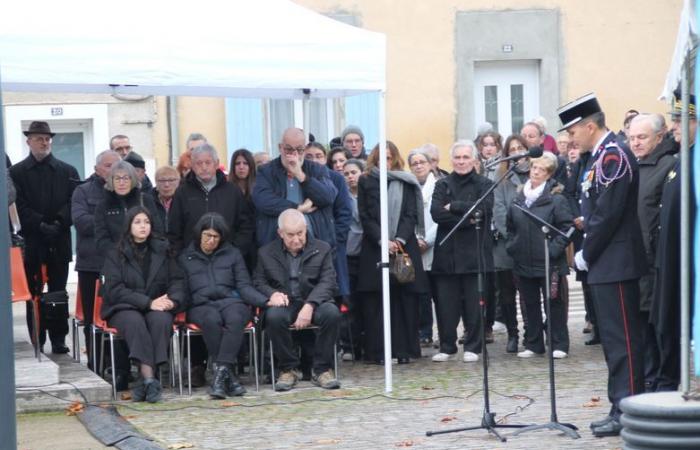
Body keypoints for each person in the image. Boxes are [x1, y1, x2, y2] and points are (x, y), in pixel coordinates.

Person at [558, 93, 647, 437]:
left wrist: (586, 252)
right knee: (613, 342)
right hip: (607, 264)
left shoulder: (613, 155)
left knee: (623, 341)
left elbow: (608, 213)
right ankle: (618, 405)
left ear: (590, 126)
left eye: (573, 132)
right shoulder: (600, 156)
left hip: (617, 262)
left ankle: (628, 410)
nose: (569, 139)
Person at [180, 213, 267, 398]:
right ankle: (230, 377)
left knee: (236, 318)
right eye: (207, 235)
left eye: (216, 237)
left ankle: (221, 374)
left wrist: (265, 301)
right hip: (200, 304)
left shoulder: (233, 254)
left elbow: (244, 285)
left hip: (231, 301)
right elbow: (183, 291)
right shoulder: (186, 257)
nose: (211, 241)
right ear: (199, 234)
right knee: (211, 319)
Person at [101, 206, 184, 402]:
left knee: (161, 321)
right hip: (123, 306)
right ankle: (149, 378)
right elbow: (115, 289)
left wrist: (172, 301)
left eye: (146, 222)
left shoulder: (163, 249)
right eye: (137, 222)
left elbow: (178, 281)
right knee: (135, 322)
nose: (143, 226)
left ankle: (146, 383)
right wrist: (147, 302)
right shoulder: (115, 253)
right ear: (129, 226)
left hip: (157, 304)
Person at [11, 121, 81, 354]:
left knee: (59, 292)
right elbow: (16, 204)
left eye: (47, 138)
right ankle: (37, 337)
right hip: (33, 241)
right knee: (33, 293)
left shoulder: (67, 171)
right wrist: (39, 223)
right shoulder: (17, 172)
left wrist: (60, 222)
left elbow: (75, 201)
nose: (44, 142)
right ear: (29, 141)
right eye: (39, 138)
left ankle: (59, 339)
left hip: (59, 240)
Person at [254, 209, 341, 391]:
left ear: (306, 229)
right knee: (273, 317)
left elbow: (328, 281)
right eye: (290, 235)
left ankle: (322, 369)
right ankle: (288, 368)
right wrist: (272, 294)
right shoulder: (266, 252)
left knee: (332, 314)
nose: (296, 239)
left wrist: (310, 305)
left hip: (314, 299)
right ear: (280, 233)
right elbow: (258, 281)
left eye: (300, 233)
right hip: (286, 301)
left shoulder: (322, 248)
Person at [357, 142, 428, 364]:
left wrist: (398, 240)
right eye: (381, 159)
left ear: (395, 159)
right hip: (374, 246)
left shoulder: (405, 180)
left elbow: (410, 214)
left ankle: (404, 349)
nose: (385, 163)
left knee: (405, 300)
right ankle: (379, 351)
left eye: (388, 158)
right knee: (377, 302)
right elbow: (365, 215)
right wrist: (382, 240)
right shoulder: (366, 180)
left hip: (403, 246)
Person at [430, 140, 494, 363]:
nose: (461, 161)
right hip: (447, 254)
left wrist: (455, 207)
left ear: (475, 160)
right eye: (457, 157)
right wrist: (467, 216)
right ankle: (447, 346)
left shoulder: (484, 184)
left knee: (474, 306)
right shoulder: (442, 184)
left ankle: (473, 346)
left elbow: (483, 210)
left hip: (474, 253)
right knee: (446, 304)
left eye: (466, 157)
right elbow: (436, 213)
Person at [628, 113, 678, 391]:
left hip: (656, 261)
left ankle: (662, 378)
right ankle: (647, 377)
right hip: (635, 261)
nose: (635, 143)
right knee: (641, 324)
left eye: (642, 137)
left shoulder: (668, 165)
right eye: (632, 137)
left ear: (659, 138)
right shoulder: (633, 165)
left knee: (657, 324)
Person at [506, 153, 573, 359]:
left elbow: (567, 228)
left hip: (549, 262)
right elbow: (510, 226)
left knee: (554, 303)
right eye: (534, 167)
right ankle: (534, 343)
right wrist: (513, 246)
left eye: (541, 169)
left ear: (549, 174)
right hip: (523, 260)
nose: (535, 172)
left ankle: (558, 343)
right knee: (529, 303)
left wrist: (553, 250)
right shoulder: (519, 198)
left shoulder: (556, 199)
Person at [651, 89, 696, 392]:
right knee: (667, 322)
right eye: (673, 119)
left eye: (681, 119)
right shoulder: (681, 159)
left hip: (688, 260)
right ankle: (669, 380)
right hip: (670, 258)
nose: (674, 126)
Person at [71, 149, 121, 369]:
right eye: (109, 166)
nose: (114, 170)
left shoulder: (124, 191)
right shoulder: (82, 191)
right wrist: (111, 222)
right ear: (97, 169)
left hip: (120, 263)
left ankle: (119, 365)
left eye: (117, 165)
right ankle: (96, 363)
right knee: (93, 318)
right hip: (91, 264)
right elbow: (81, 222)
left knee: (119, 314)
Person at [252, 128, 338, 248]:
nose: (294, 155)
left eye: (299, 150)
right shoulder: (266, 171)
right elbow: (263, 200)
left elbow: (328, 196)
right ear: (280, 148)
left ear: (305, 149)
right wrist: (298, 208)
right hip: (276, 247)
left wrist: (301, 176)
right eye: (288, 149)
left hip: (315, 244)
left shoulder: (317, 169)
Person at [168, 144, 254, 256]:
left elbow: (245, 227)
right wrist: (182, 256)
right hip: (192, 260)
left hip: (227, 259)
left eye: (208, 162)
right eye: (199, 163)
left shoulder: (232, 191)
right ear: (193, 166)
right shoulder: (182, 193)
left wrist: (234, 252)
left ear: (216, 164)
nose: (204, 167)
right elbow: (174, 231)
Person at [492, 135, 531, 353]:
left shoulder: (537, 172)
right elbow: (498, 211)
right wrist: (512, 237)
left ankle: (530, 333)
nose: (517, 152)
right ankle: (512, 334)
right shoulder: (501, 178)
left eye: (520, 148)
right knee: (506, 294)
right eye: (512, 149)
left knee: (528, 293)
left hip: (530, 245)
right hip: (506, 246)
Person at [95, 161, 164, 256]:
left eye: (126, 178)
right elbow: (102, 239)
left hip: (145, 258)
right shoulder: (103, 206)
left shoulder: (145, 200)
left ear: (133, 180)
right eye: (117, 178)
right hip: (116, 261)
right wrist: (121, 253)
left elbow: (157, 231)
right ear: (111, 180)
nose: (121, 183)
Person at [407, 148, 438, 346]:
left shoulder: (439, 186)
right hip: (414, 246)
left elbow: (440, 218)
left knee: (439, 293)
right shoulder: (409, 187)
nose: (418, 166)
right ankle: (424, 331)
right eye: (414, 163)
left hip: (435, 245)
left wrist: (427, 240)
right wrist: (415, 240)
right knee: (421, 293)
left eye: (422, 162)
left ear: (430, 164)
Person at [342, 158, 365, 360]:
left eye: (353, 172)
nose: (350, 177)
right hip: (347, 254)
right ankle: (349, 345)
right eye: (346, 174)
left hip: (366, 254)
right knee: (349, 302)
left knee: (366, 302)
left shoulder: (368, 195)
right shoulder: (342, 197)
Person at [151, 166, 181, 234]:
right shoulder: (149, 201)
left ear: (178, 182)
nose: (166, 185)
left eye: (171, 180)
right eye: (162, 181)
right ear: (156, 182)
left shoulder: (184, 201)